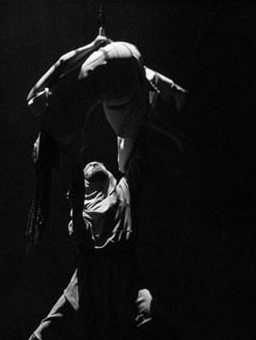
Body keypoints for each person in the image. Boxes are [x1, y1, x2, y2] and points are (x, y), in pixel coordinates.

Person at [1, 143, 196, 340]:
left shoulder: (123, 191)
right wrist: (75, 201)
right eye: (88, 168)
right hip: (89, 281)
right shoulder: (82, 209)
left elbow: (137, 157)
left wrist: (133, 128)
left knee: (151, 317)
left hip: (123, 277)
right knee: (54, 324)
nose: (93, 164)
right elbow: (80, 238)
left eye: (98, 165)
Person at [25, 31, 187, 248]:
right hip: (115, 52)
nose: (33, 145)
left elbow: (78, 186)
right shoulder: (36, 104)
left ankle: (173, 124)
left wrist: (75, 199)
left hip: (124, 77)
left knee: (124, 151)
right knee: (119, 92)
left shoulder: (69, 141)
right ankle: (170, 89)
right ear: (41, 145)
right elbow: (62, 62)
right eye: (34, 148)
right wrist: (94, 44)